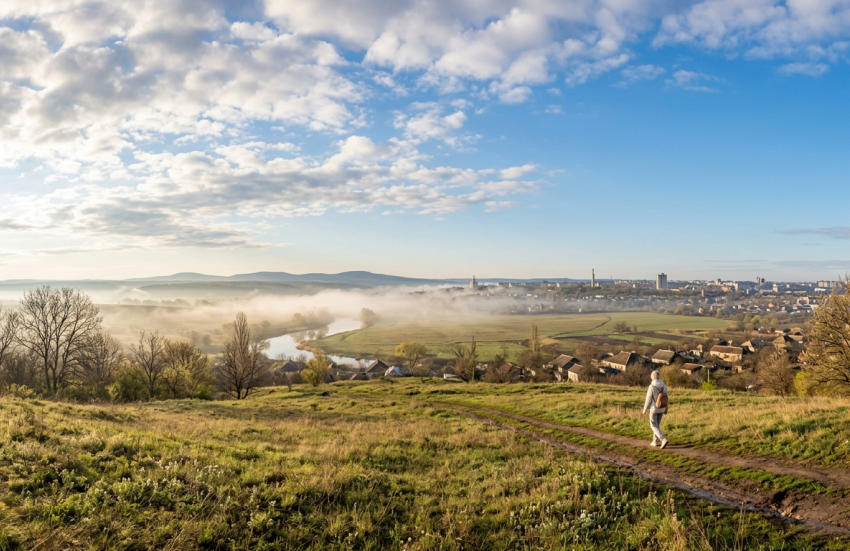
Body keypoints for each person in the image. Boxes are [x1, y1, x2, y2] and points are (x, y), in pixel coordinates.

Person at [642, 370, 669, 449]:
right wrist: (666, 407)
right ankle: (654, 441)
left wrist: (644, 410)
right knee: (657, 425)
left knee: (653, 425)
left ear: (652, 377)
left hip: (654, 408)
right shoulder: (664, 385)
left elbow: (648, 399)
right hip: (662, 407)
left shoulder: (651, 386)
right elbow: (666, 397)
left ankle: (663, 439)